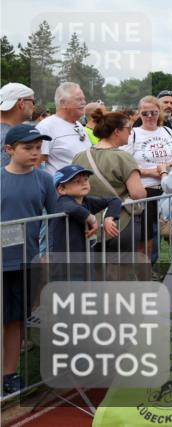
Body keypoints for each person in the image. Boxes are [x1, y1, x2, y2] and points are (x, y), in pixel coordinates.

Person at [1, 125, 57, 396]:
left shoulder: (44, 180)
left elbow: (59, 213)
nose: (35, 153)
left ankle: (9, 374)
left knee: (15, 320)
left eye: (38, 148)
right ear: (9, 149)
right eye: (28, 148)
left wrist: (89, 215)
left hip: (25, 262)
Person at [73, 110, 147, 251]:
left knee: (95, 270)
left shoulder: (79, 157)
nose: (131, 133)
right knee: (120, 270)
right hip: (120, 223)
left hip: (89, 224)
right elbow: (138, 194)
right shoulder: (123, 157)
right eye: (128, 129)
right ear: (117, 131)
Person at [126, 96, 172, 260]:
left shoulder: (168, 131)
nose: (150, 116)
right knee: (147, 239)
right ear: (139, 114)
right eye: (145, 113)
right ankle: (147, 276)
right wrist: (151, 172)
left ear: (160, 112)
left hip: (170, 190)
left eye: (154, 112)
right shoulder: (133, 134)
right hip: (146, 191)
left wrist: (171, 168)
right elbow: (126, 166)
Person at [48, 165, 121, 257]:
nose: (84, 183)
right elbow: (73, 208)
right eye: (77, 181)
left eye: (86, 179)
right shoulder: (63, 201)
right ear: (62, 189)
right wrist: (92, 219)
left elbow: (114, 200)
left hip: (85, 255)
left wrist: (109, 218)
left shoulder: (87, 201)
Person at [36, 82, 91, 175]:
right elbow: (38, 163)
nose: (84, 102)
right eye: (79, 99)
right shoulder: (46, 127)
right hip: (59, 188)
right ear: (63, 103)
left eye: (84, 99)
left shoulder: (79, 125)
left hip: (82, 186)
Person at [0, 83, 35, 168]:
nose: (34, 106)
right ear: (21, 103)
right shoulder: (10, 137)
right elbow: (8, 177)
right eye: (33, 101)